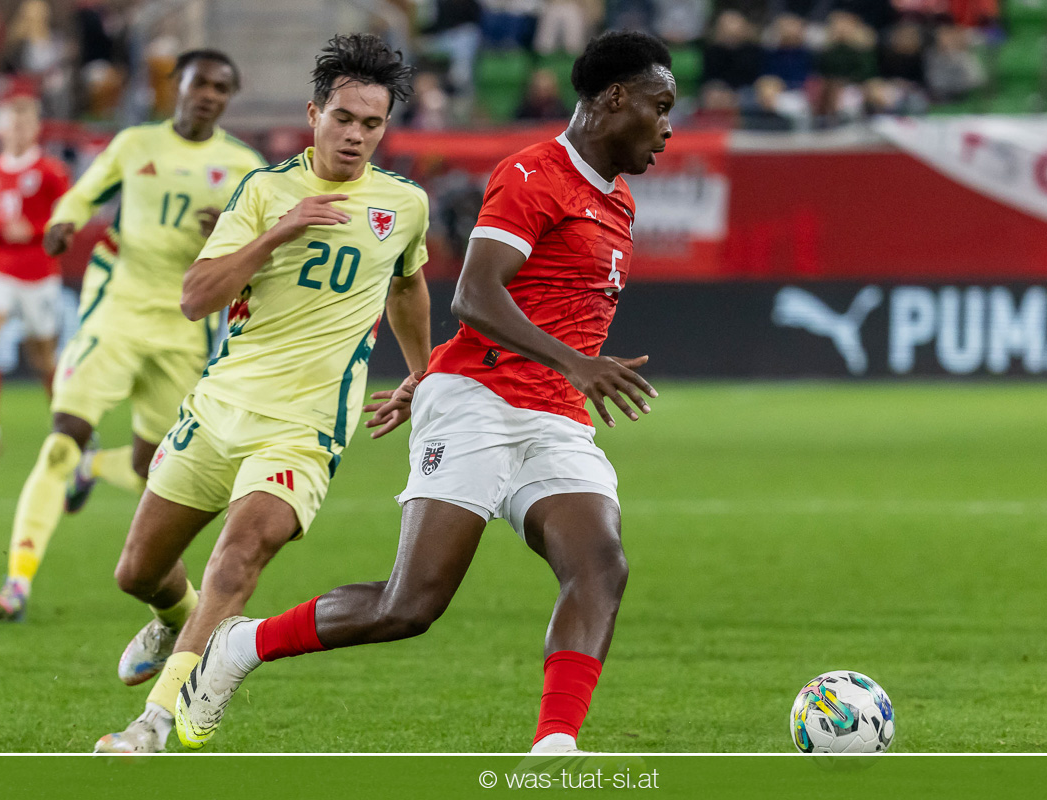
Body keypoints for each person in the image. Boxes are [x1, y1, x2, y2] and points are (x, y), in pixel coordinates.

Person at [175, 29, 675, 754]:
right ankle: (241, 645)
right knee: (409, 606)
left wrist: (541, 371)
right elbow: (475, 295)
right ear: (616, 99)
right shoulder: (533, 175)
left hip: (555, 416)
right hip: (479, 402)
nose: (667, 127)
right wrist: (574, 364)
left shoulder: (618, 200)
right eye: (660, 107)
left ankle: (555, 746)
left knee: (601, 567)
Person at [93, 33, 432, 755]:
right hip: (218, 409)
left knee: (237, 557)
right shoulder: (263, 191)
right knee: (137, 571)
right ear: (314, 114)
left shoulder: (404, 205)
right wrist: (281, 231)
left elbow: (407, 286)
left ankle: (154, 721)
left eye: (372, 124)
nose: (356, 135)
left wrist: (421, 372)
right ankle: (174, 618)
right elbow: (196, 298)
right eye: (344, 118)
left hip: (303, 429)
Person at [0, 49, 265, 623]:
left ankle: (92, 469)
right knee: (63, 438)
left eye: (221, 88)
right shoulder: (136, 145)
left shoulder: (244, 167)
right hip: (116, 315)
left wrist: (232, 234)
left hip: (183, 332)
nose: (209, 95)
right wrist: (64, 221)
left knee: (147, 470)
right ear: (175, 85)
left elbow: (265, 250)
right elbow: (84, 193)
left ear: (229, 98)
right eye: (200, 83)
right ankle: (16, 584)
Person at [0, 83, 70, 462]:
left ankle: (65, 426)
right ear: (3, 128)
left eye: (25, 124)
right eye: (13, 123)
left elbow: (68, 221)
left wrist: (36, 231)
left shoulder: (50, 171)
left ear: (36, 128)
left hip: (38, 273)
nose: (18, 130)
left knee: (43, 356)